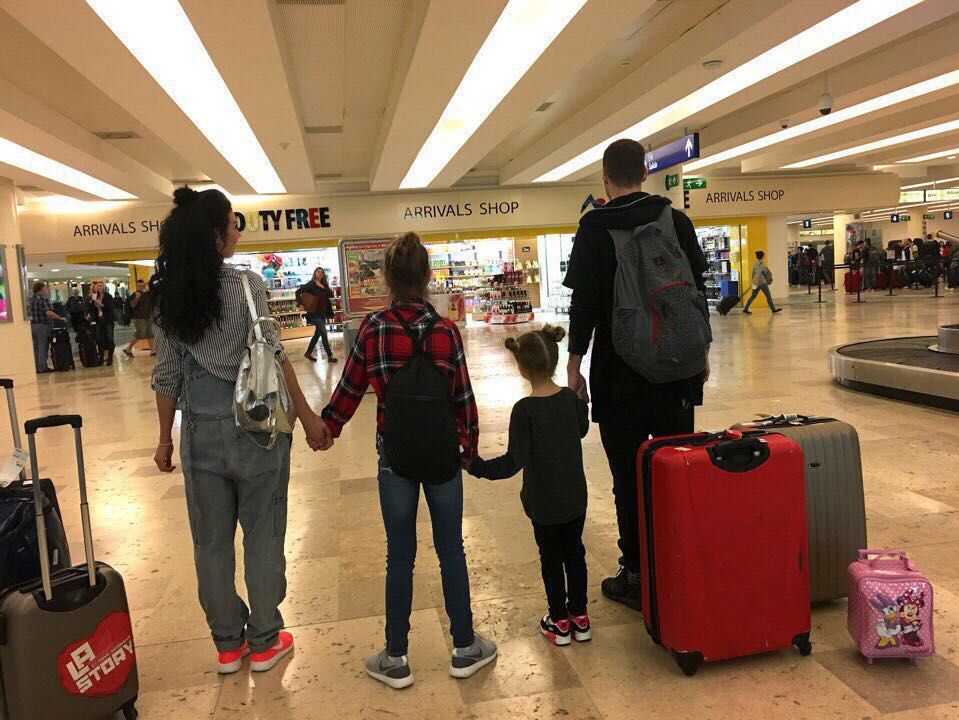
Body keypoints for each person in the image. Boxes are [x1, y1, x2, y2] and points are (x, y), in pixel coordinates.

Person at [150, 187, 330, 675]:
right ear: (214, 234)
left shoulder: (166, 296)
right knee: (263, 532)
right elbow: (273, 354)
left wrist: (164, 439)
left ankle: (228, 644)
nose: (237, 232)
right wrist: (307, 417)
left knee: (210, 542)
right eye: (233, 224)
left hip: (200, 431)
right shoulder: (247, 285)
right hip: (256, 427)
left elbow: (166, 376)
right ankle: (266, 639)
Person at [320, 232, 496, 689]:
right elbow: (463, 398)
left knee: (399, 554)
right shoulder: (446, 331)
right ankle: (464, 647)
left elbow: (349, 390)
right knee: (450, 548)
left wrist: (327, 429)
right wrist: (469, 450)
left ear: (387, 277)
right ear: (426, 276)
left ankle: (396, 656)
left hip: (394, 456)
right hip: (442, 456)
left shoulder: (373, 327)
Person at [562, 138, 709, 611]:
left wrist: (574, 364)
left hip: (617, 372)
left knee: (628, 477)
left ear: (605, 178)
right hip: (676, 369)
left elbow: (584, 305)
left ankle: (637, 573)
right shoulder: (676, 220)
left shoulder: (593, 228)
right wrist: (702, 351)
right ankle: (677, 563)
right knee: (676, 468)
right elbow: (696, 289)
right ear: (645, 173)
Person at [467, 325, 591, 647]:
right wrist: (583, 401)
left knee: (550, 558)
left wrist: (476, 467)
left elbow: (513, 462)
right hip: (575, 498)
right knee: (575, 553)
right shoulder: (569, 398)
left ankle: (559, 621)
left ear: (522, 368)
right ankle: (580, 617)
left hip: (543, 502)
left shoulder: (524, 411)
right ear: (555, 359)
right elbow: (581, 430)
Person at [297, 267, 337, 363]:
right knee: (324, 333)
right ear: (315, 273)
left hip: (323, 313)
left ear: (323, 275)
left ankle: (308, 353)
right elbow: (298, 292)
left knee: (317, 334)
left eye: (321, 272)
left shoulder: (324, 285)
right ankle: (330, 356)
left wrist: (322, 286)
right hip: (314, 313)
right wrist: (300, 304)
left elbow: (331, 295)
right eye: (318, 272)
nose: (320, 273)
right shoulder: (311, 284)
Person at [28, 281, 67, 374]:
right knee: (42, 346)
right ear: (41, 288)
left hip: (32, 326)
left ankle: (37, 368)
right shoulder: (42, 299)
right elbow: (49, 312)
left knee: (35, 347)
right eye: (44, 287)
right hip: (42, 326)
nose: (45, 289)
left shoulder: (30, 299)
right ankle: (43, 367)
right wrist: (60, 318)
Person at [86, 281, 116, 365]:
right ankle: (101, 359)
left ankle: (110, 358)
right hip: (99, 320)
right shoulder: (95, 296)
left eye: (101, 286)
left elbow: (110, 307)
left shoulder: (108, 296)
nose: (99, 287)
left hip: (108, 320)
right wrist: (89, 314)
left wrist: (101, 304)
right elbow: (92, 307)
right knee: (100, 340)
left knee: (110, 339)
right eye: (98, 286)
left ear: (104, 287)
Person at [123, 279, 154, 357]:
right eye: (139, 285)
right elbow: (132, 305)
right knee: (140, 334)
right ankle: (128, 348)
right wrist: (136, 298)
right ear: (137, 286)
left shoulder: (147, 294)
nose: (141, 287)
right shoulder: (135, 294)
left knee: (150, 334)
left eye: (142, 285)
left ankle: (152, 351)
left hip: (148, 316)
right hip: (139, 318)